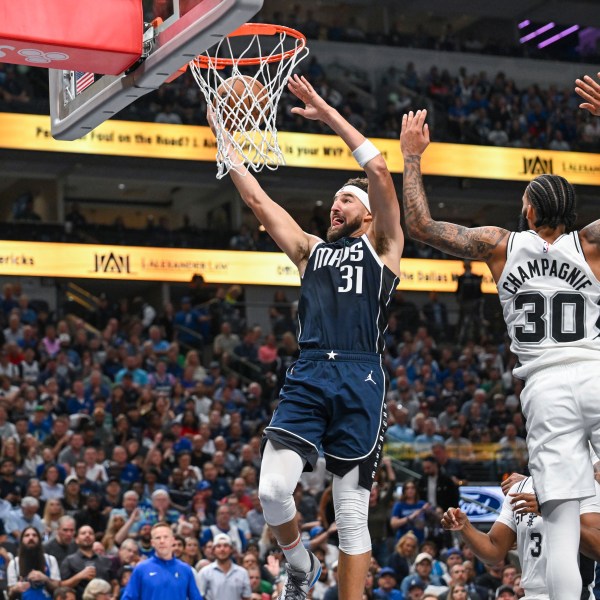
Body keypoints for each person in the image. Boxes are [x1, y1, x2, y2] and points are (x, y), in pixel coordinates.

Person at [399, 78, 600, 600]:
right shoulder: (592, 243)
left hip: (545, 388)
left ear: (530, 211)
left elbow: (419, 225)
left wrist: (412, 156)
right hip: (596, 374)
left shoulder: (500, 246)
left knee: (559, 527)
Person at [209, 74, 403, 600]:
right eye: (333, 199)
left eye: (344, 199)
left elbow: (380, 168)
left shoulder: (384, 246)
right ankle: (299, 568)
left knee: (352, 512)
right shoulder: (310, 251)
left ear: (365, 213)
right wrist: (222, 138)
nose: (334, 205)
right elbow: (256, 201)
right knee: (272, 490)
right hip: (311, 371)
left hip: (362, 375)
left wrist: (323, 108)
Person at [440, 473, 600, 599]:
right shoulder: (520, 488)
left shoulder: (585, 485)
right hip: (531, 594)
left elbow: (597, 548)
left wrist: (552, 513)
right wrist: (465, 527)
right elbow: (494, 551)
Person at [121, 522, 202, 600]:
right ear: (152, 543)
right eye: (158, 538)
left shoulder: (186, 570)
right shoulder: (141, 569)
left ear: (172, 541)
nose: (162, 541)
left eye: (166, 537)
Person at [7, 526, 61, 599]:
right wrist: (15, 589)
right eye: (27, 535)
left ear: (39, 539)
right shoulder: (14, 563)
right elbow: (10, 594)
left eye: (34, 535)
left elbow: (57, 588)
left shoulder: (50, 560)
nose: (31, 538)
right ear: (21, 540)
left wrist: (45, 579)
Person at [198, 533, 251, 600]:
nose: (222, 549)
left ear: (231, 549)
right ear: (213, 550)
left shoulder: (242, 573)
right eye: (218, 546)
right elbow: (199, 596)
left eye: (226, 546)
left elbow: (246, 597)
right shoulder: (205, 572)